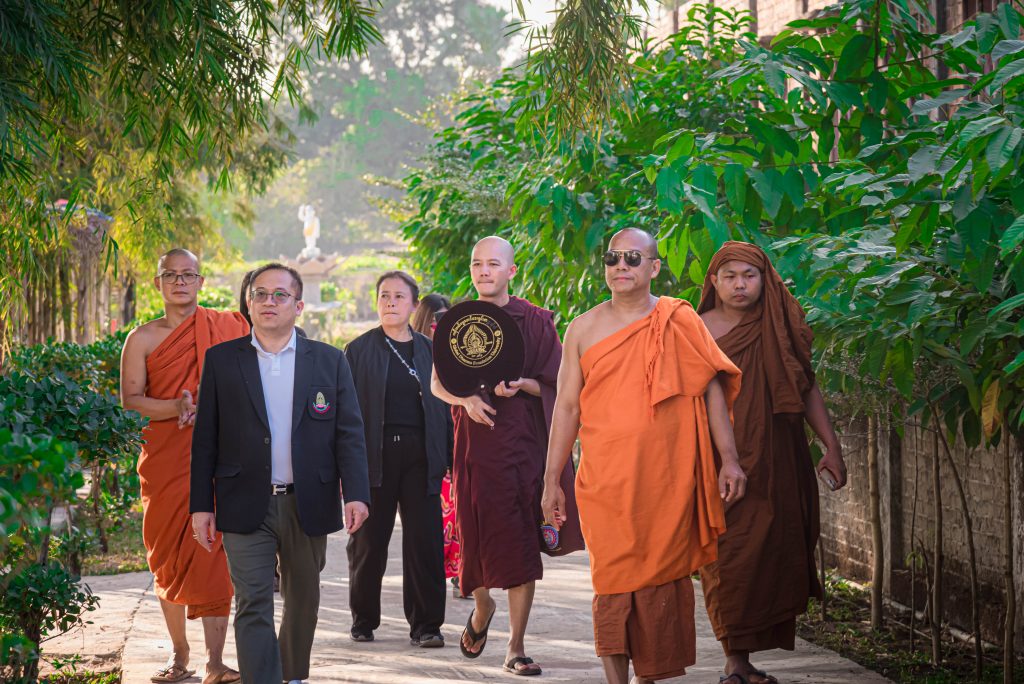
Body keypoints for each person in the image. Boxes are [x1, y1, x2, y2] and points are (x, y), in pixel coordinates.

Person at [541, 228, 747, 684]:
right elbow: (567, 407)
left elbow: (712, 389)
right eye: (613, 258)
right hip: (605, 481)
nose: (621, 266)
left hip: (667, 480)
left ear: (654, 268)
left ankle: (648, 677)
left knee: (661, 579)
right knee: (611, 582)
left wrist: (729, 459)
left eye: (633, 258)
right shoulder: (582, 329)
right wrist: (551, 479)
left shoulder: (679, 319)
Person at [190, 262, 371, 684]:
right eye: (260, 293)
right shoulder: (222, 360)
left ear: (298, 305)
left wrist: (356, 493)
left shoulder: (328, 360)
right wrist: (201, 505)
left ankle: (291, 675)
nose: (268, 301)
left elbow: (349, 433)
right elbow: (205, 439)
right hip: (242, 501)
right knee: (252, 602)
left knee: (303, 600)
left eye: (280, 295)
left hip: (307, 500)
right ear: (248, 302)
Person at [430, 236, 584, 677]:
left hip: (521, 450)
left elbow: (558, 383)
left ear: (511, 271)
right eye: (477, 264)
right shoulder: (457, 323)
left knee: (519, 542)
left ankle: (516, 647)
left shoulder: (535, 321)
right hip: (474, 450)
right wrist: (464, 401)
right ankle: (482, 607)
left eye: (493, 264)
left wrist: (523, 385)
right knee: (474, 537)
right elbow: (437, 384)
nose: (484, 271)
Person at [696, 241, 847, 684]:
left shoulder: (778, 323)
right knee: (728, 553)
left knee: (773, 547)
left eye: (749, 275)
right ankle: (734, 659)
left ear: (765, 280)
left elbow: (805, 385)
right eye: (729, 276)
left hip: (778, 453)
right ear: (714, 282)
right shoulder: (697, 328)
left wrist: (831, 445)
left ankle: (742, 661)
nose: (739, 285)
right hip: (720, 458)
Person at [120, 248, 246, 684]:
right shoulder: (141, 339)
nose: (179, 282)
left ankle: (216, 661)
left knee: (213, 552)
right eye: (170, 275)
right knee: (166, 555)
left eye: (188, 274)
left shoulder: (227, 328)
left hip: (219, 456)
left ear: (200, 282)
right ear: (158, 282)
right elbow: (131, 399)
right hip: (165, 459)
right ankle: (179, 654)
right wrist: (177, 406)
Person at [345, 272, 450, 647]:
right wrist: (346, 469)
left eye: (399, 296)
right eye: (384, 296)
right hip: (375, 455)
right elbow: (346, 413)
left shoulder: (430, 350)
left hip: (421, 455)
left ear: (414, 305)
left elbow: (446, 408)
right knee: (369, 541)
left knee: (425, 541)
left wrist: (448, 456)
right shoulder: (359, 350)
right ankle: (363, 619)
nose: (390, 302)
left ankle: (426, 626)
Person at [411, 294, 466, 598]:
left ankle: (463, 575)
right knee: (438, 524)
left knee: (460, 519)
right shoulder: (413, 356)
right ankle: (436, 579)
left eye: (447, 319)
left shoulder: (457, 355)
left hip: (458, 446)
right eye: (436, 321)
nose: (440, 327)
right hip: (427, 454)